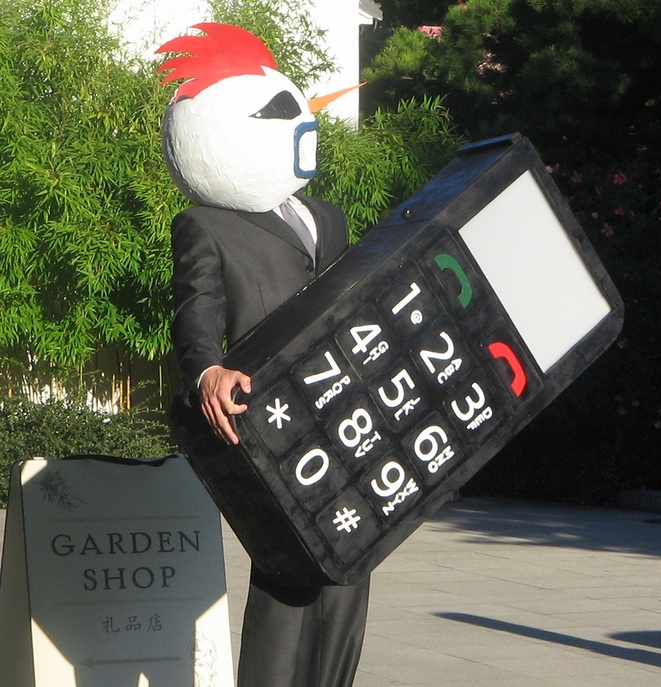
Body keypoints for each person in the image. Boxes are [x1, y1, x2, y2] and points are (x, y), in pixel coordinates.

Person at [157, 24, 370, 687]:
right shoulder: (206, 224)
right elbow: (196, 306)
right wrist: (206, 369)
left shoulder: (327, 217)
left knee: (349, 567)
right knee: (287, 574)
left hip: (342, 418)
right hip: (266, 424)